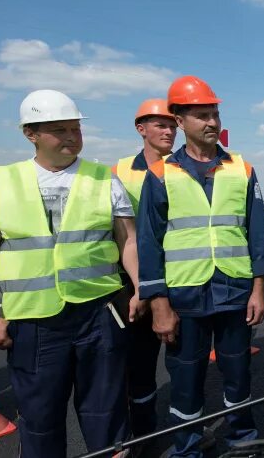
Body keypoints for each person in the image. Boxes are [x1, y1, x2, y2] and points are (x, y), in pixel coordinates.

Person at [0, 90, 140, 458]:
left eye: (75, 128)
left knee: (106, 413)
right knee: (39, 418)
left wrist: (139, 289)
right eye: (60, 130)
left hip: (99, 313)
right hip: (33, 320)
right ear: (31, 133)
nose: (72, 137)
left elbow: (128, 242)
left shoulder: (103, 179)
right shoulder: (3, 182)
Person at [137, 75, 264, 457]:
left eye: (214, 113)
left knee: (238, 373)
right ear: (180, 122)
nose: (212, 122)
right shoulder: (161, 174)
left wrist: (259, 290)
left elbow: (257, 234)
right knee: (185, 380)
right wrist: (159, 305)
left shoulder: (242, 170)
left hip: (234, 291)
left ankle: (242, 439)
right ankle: (189, 447)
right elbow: (149, 242)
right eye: (201, 115)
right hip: (184, 296)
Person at [112, 98, 177, 438]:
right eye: (160, 125)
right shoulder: (119, 172)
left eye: (172, 125)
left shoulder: (183, 168)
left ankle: (185, 429)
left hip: (179, 275)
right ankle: (141, 433)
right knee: (137, 365)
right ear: (141, 129)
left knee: (182, 363)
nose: (169, 131)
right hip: (135, 280)